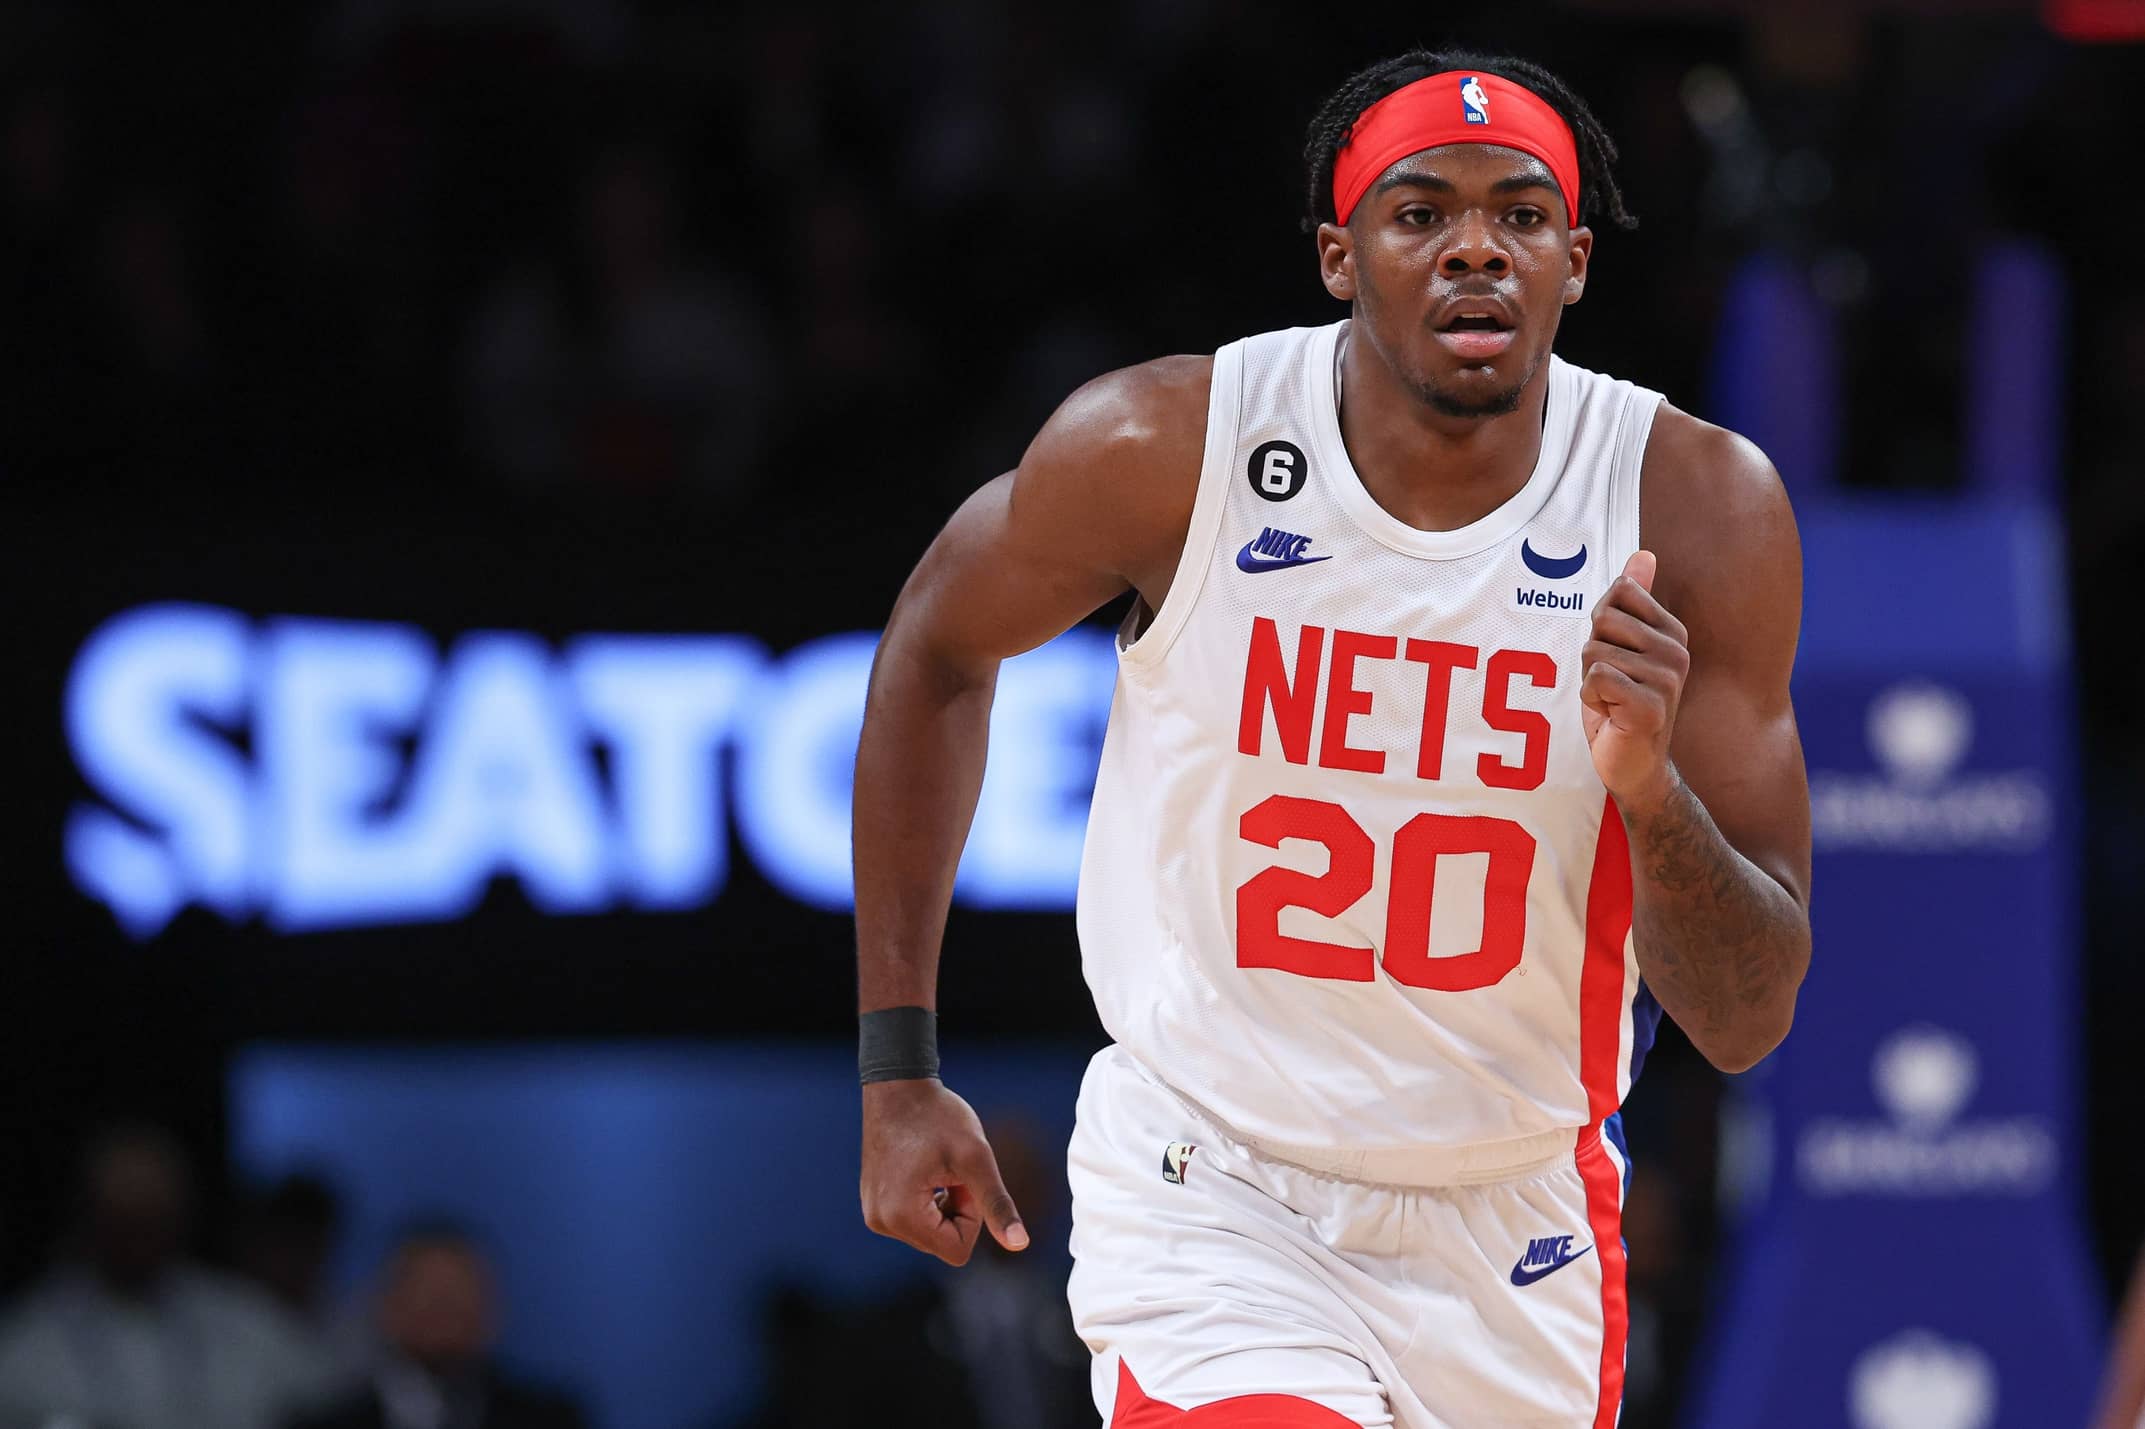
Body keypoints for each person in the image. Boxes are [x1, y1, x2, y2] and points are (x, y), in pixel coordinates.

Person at [854, 46, 1812, 1428]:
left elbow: (1746, 1017)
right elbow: (936, 644)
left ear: (1575, 265)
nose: (1475, 249)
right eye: (1421, 214)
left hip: (1516, 1220)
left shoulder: (1695, 508)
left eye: (1521, 215)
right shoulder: (1166, 446)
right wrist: (897, 1070)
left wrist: (1649, 789)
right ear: (1337, 257)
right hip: (1215, 1184)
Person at [0, 1124, 343, 1429]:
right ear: (90, 1219)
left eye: (154, 1220)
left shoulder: (246, 1320)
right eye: (124, 1221)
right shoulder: (26, 1343)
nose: (139, 1242)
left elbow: (330, 1395)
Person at [288, 1223, 585, 1429]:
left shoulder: (550, 1420)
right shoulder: (324, 1423)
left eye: (458, 1292)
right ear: (386, 1305)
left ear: (491, 1310)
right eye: (427, 1292)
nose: (443, 1309)